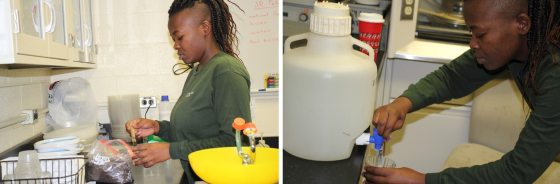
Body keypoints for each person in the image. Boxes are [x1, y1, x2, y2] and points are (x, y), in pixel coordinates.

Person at [364, 0, 560, 183]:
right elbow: (452, 78)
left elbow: (517, 172)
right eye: (471, 33)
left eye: (481, 35)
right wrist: (402, 103)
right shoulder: (521, 45)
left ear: (522, 24)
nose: (473, 44)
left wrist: (422, 180)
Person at [125, 0, 251, 183]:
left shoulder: (226, 71)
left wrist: (170, 150)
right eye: (173, 39)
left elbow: (236, 143)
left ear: (205, 28)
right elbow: (191, 133)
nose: (175, 45)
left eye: (179, 37)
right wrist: (158, 127)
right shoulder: (197, 72)